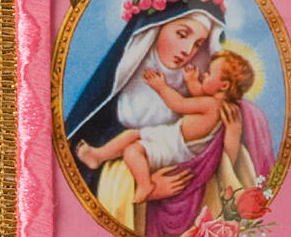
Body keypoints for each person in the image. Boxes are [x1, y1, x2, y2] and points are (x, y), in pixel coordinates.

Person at [64, 0, 274, 237]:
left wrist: (231, 133)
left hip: (191, 203)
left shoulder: (213, 101)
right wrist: (141, 187)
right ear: (154, 29)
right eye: (182, 34)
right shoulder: (111, 98)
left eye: (198, 44)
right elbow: (82, 182)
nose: (188, 52)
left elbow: (227, 164)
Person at [76, 51, 255, 203]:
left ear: (224, 85)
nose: (204, 75)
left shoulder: (212, 105)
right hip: (173, 137)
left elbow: (179, 104)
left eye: (209, 73)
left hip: (175, 146)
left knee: (133, 150)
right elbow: (199, 94)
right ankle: (98, 156)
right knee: (132, 135)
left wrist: (161, 87)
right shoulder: (218, 105)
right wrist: (192, 81)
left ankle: (146, 185)